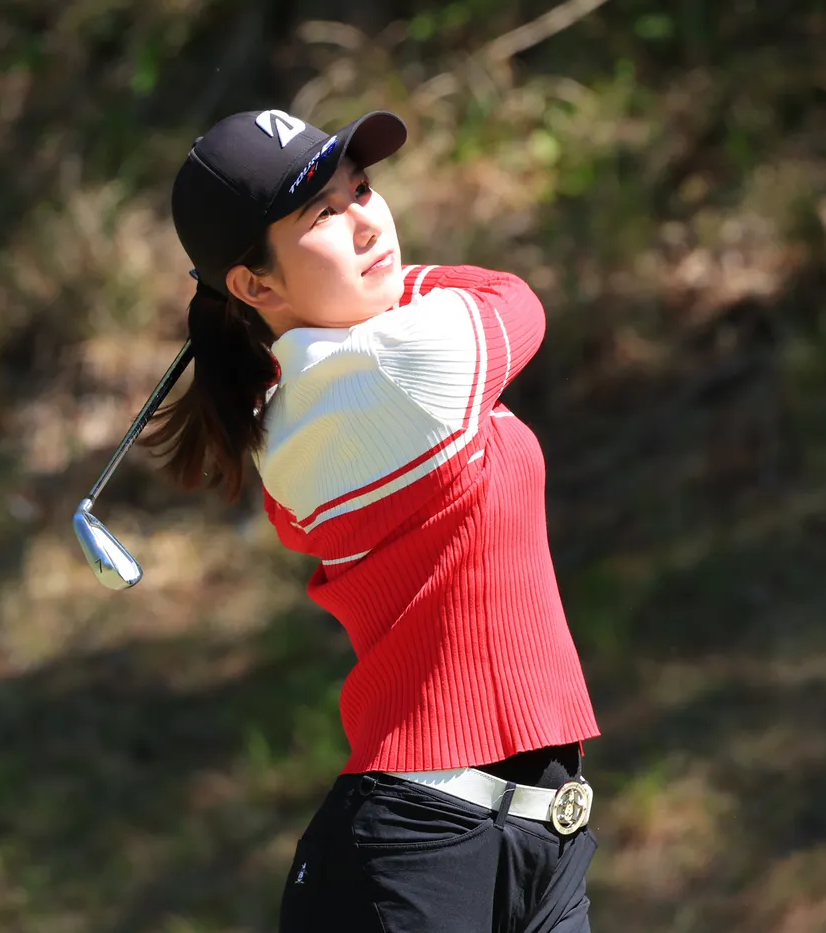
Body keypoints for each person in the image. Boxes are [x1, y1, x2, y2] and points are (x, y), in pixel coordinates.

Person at [143, 106, 602, 932]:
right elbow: (513, 298)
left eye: (361, 189)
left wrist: (319, 298)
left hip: (533, 842)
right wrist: (382, 291)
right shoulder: (399, 365)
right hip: (422, 860)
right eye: (322, 214)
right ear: (253, 284)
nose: (367, 222)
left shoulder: (296, 406)